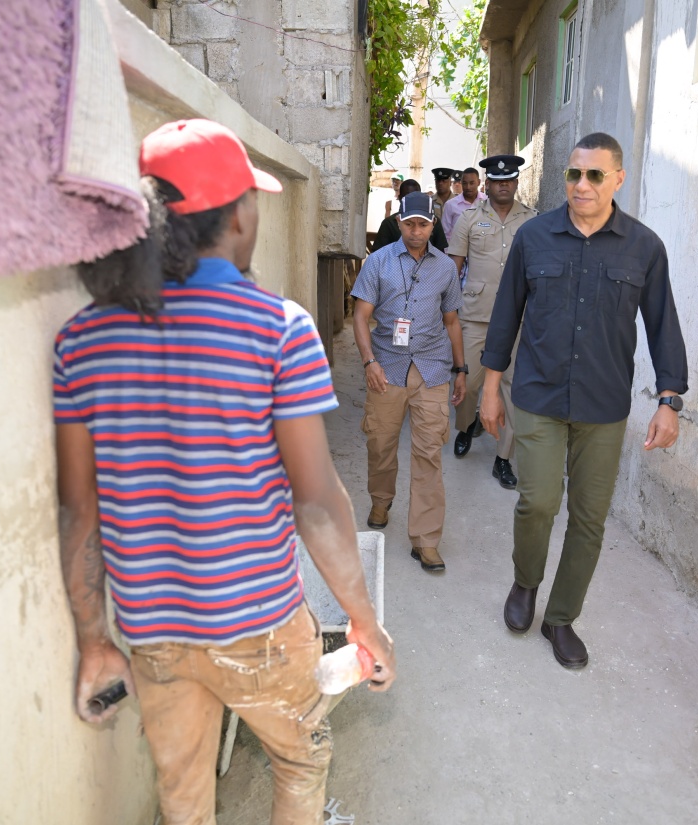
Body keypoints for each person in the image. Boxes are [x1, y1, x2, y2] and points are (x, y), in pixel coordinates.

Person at [52, 118, 396, 825]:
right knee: (299, 759)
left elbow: (78, 512)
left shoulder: (80, 339)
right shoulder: (278, 330)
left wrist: (93, 640)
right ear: (238, 217)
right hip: (261, 626)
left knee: (182, 796)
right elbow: (319, 504)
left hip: (153, 633)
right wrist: (365, 622)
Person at [480, 132, 688, 669]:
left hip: (603, 405)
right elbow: (505, 317)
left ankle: (561, 617)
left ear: (618, 179)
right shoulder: (533, 238)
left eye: (595, 174)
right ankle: (526, 583)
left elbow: (663, 326)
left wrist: (670, 399)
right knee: (539, 501)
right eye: (575, 173)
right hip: (539, 397)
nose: (582, 184)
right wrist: (488, 388)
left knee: (590, 518)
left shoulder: (644, 247)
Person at [351, 191, 466, 573]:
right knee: (380, 442)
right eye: (410, 224)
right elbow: (361, 316)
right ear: (399, 223)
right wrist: (369, 361)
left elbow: (452, 321)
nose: (417, 231)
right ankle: (381, 499)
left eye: (424, 224)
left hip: (432, 369)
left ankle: (426, 540)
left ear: (433, 224)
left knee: (429, 452)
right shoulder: (379, 262)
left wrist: (461, 369)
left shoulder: (446, 268)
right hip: (386, 366)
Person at [447, 154, 537, 490]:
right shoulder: (469, 219)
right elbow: (453, 267)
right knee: (469, 383)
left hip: (517, 318)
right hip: (476, 315)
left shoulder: (531, 220)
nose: (503, 186)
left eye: (509, 181)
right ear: (487, 185)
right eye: (497, 182)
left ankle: (503, 457)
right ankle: (467, 425)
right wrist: (448, 310)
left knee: (512, 391)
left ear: (515, 183)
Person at [371, 179, 448, 252]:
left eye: (423, 225)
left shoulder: (432, 220)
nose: (416, 232)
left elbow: (440, 252)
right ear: (399, 197)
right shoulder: (389, 223)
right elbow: (378, 254)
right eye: (408, 224)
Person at [441, 166, 488, 240]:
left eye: (472, 183)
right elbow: (445, 234)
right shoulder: (450, 205)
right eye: (465, 183)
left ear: (478, 182)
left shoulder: (487, 201)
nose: (468, 187)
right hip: (457, 249)